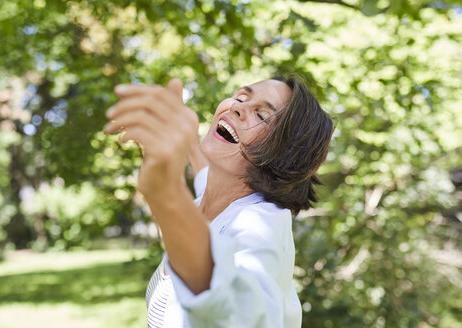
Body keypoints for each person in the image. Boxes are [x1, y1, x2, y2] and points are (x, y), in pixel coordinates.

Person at [104, 76, 333, 327]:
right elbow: (203, 175)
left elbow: (240, 311)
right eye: (242, 97)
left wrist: (166, 190)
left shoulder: (262, 225)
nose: (238, 106)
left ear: (285, 155)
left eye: (261, 115)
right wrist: (187, 139)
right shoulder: (213, 197)